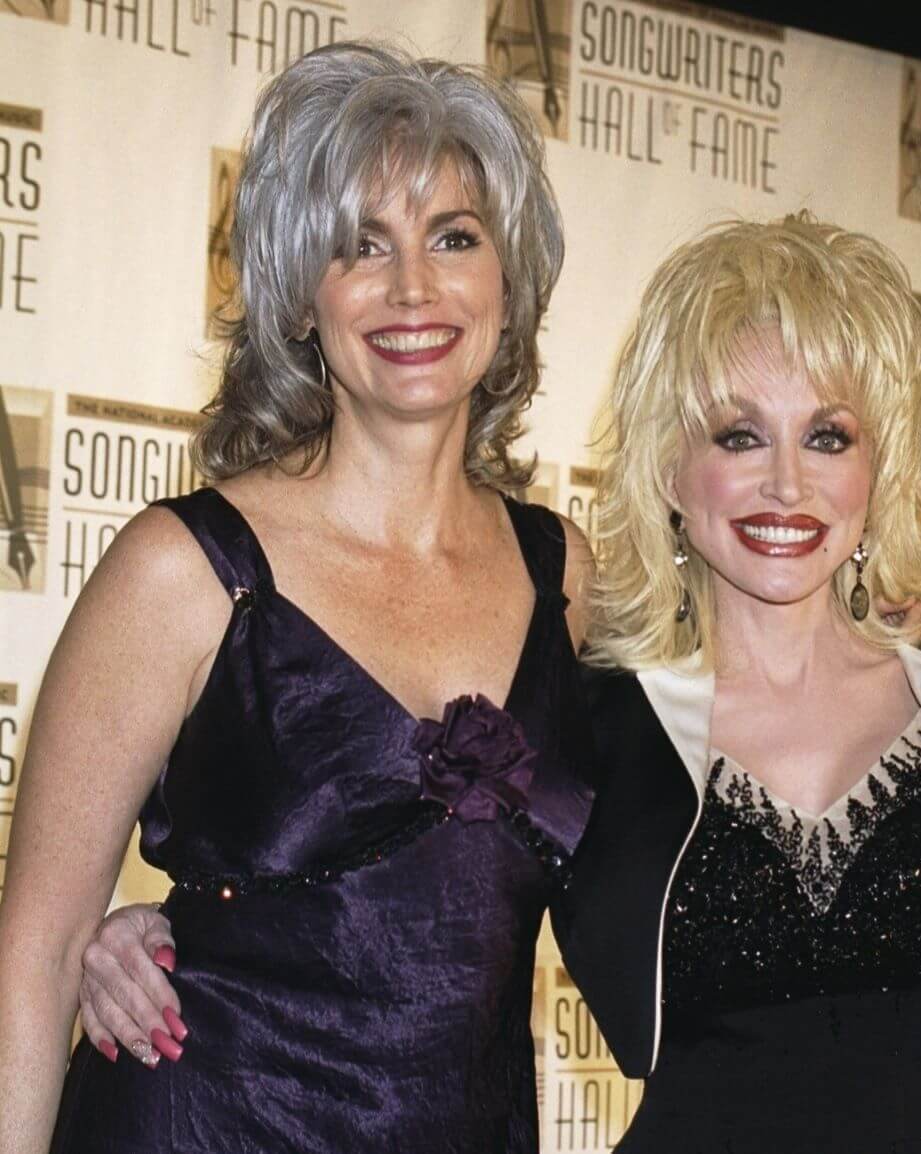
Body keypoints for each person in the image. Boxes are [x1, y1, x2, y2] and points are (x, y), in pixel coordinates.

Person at [0, 41, 598, 1153]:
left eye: (453, 238)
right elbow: (34, 954)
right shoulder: (183, 570)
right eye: (359, 248)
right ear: (297, 296)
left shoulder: (564, 573)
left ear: (508, 282)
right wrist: (112, 934)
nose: (413, 288)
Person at [553, 216, 921, 1152]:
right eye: (742, 435)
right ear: (671, 467)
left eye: (829, 437)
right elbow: (422, 953)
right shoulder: (586, 722)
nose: (788, 485)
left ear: (880, 469)